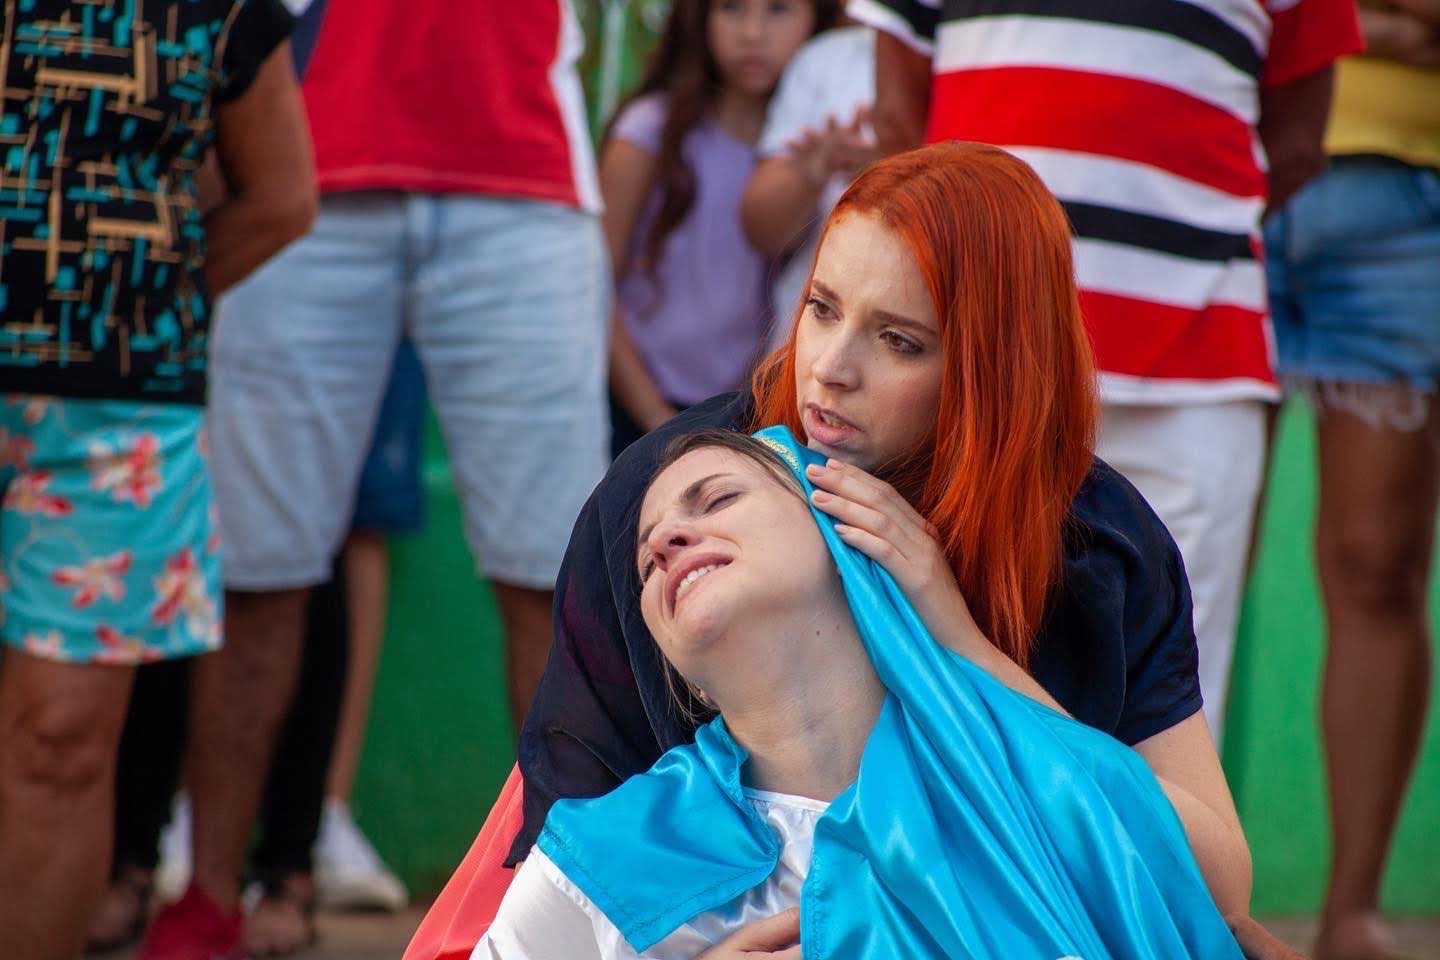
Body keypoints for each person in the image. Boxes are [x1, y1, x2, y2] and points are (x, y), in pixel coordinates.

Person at [136, 1, 610, 957]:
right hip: (299, 145)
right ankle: (210, 898)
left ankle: (573, 921)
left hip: (522, 162)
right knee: (255, 571)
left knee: (556, 577)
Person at [480, 427, 1248, 958]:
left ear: (846, 532)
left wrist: (960, 641)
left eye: (716, 500)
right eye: (648, 563)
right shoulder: (599, 867)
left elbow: (1201, 899)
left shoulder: (1029, 791)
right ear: (682, 677)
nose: (666, 541)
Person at [849, 0, 1363, 741]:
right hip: (971, 364)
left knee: (1168, 722)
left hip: (1194, 366)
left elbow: (1296, 144)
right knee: (934, 689)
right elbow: (899, 118)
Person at [0, 0, 314, 957]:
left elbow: (281, 197)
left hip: (116, 425)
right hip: (118, 404)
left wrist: (133, 312)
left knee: (60, 747)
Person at [1263, 5, 1440, 957]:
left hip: (1407, 198)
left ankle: (1351, 915)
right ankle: (1150, 898)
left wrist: (1336, 24)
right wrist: (1385, 26)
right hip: (1220, 165)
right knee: (1165, 553)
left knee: (1378, 562)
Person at [603, 0, 836, 456]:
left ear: (818, 19)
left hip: (741, 418)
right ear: (700, 17)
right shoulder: (648, 131)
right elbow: (592, 288)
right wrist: (655, 418)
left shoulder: (810, 152)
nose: (753, 33)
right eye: (732, 8)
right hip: (633, 409)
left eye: (778, 10)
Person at [739, 21, 877, 341]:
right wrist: (809, 173)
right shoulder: (828, 58)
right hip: (805, 339)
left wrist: (900, 172)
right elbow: (760, 229)